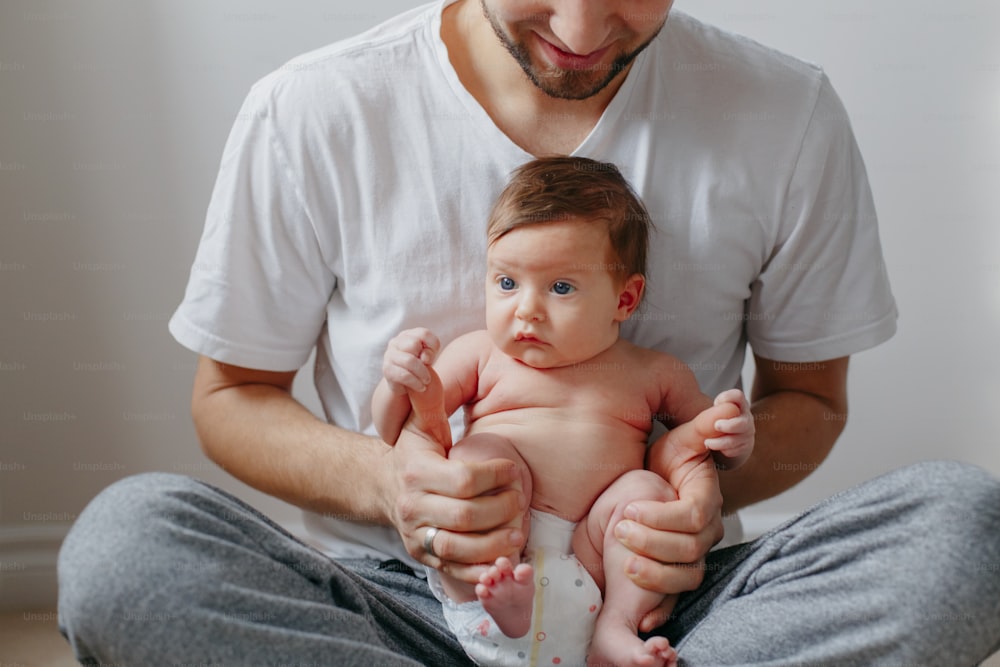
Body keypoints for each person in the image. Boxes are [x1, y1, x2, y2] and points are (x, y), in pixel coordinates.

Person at [57, 1, 1000, 665]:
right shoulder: (313, 110)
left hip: (669, 608)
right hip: (398, 605)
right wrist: (394, 485)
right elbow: (231, 397)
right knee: (126, 551)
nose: (583, 30)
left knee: (963, 527)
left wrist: (693, 498)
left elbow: (809, 399)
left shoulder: (786, 116)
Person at [371, 156, 754, 667]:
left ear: (625, 298)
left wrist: (732, 435)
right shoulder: (481, 353)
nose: (526, 309)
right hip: (499, 535)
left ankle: (613, 629)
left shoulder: (653, 372)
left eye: (561, 288)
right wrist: (400, 380)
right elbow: (402, 430)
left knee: (645, 494)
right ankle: (498, 596)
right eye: (507, 283)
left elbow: (700, 443)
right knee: (481, 456)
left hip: (595, 552)